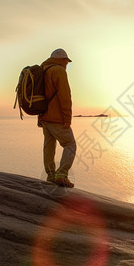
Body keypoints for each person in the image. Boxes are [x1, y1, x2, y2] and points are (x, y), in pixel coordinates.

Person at [38, 48, 76, 188]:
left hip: (44, 117)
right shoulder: (59, 71)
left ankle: (51, 175)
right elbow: (65, 96)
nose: (67, 64)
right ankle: (62, 174)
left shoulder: (43, 69)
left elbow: (40, 95)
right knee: (70, 144)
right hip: (57, 118)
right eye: (66, 61)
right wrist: (67, 117)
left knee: (49, 146)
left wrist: (39, 117)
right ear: (61, 60)